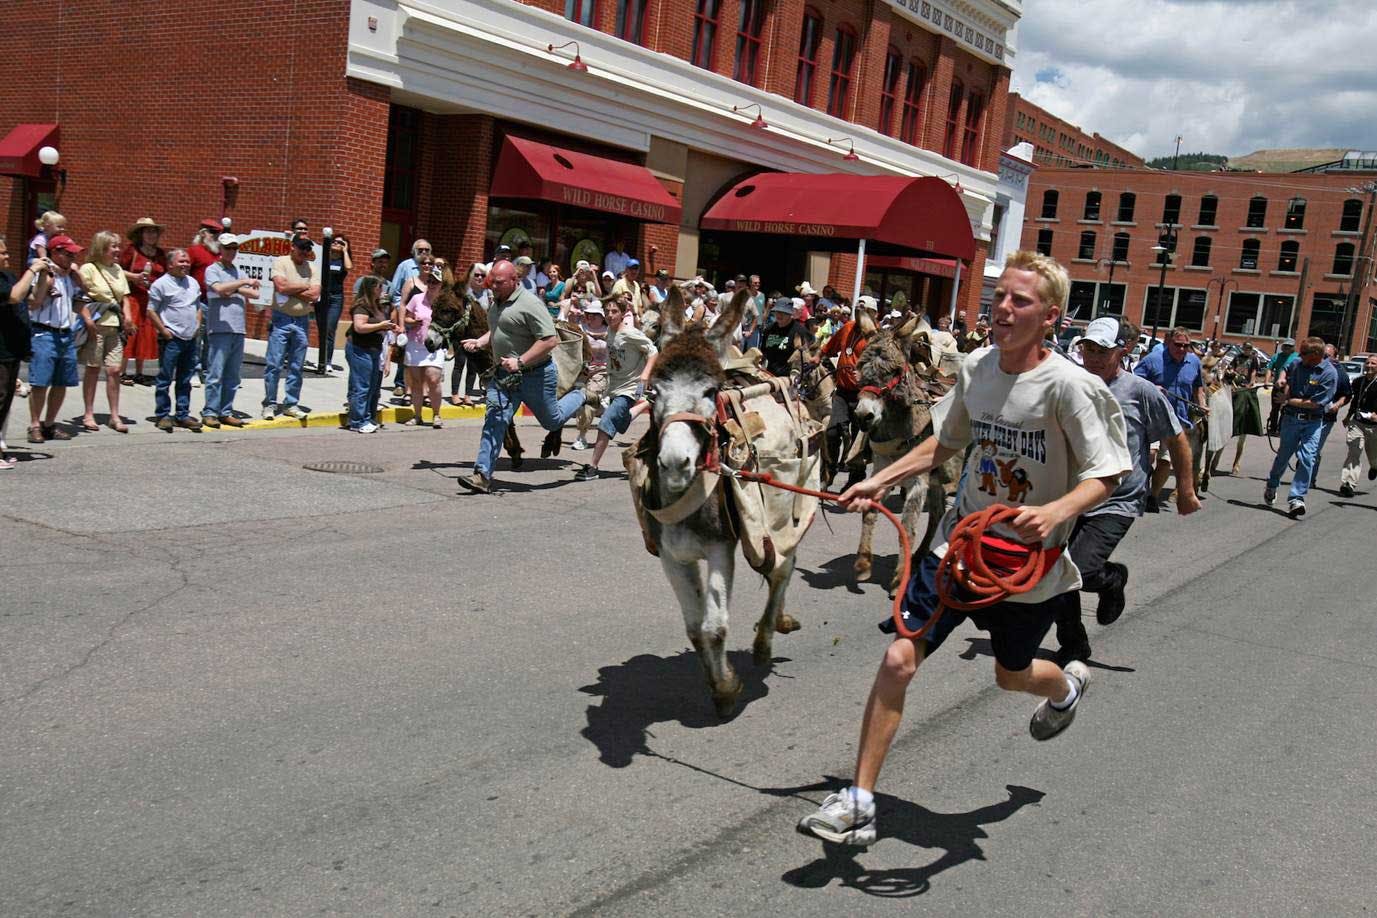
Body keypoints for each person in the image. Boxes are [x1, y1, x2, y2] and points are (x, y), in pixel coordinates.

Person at [797, 250, 1131, 847]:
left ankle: (1067, 687)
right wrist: (880, 479)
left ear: (1050, 316)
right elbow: (944, 445)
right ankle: (859, 800)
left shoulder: (1070, 387)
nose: (1003, 307)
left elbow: (1108, 475)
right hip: (959, 546)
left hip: (1027, 568)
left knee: (1012, 676)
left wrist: (1055, 511)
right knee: (900, 659)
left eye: (1020, 300)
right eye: (1000, 295)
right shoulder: (977, 368)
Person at [1054, 318, 1199, 665]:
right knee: (1055, 573)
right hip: (1074, 496)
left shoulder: (1140, 391)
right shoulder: (1071, 386)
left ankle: (1111, 579)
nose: (1095, 357)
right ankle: (1074, 644)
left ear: (1122, 350)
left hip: (1118, 498)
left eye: (1103, 350)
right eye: (1089, 349)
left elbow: (1177, 439)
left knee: (1080, 571)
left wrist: (1185, 489)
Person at [457, 260, 587, 493]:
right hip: (504, 377)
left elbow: (549, 340)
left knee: (553, 420)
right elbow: (500, 329)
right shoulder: (497, 302)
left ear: (514, 281)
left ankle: (580, 395)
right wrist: (480, 342)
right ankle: (482, 475)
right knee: (494, 421)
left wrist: (520, 361)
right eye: (491, 282)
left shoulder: (530, 304)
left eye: (498, 283)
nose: (492, 286)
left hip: (535, 375)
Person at [573, 296, 655, 481]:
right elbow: (610, 340)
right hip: (615, 386)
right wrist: (592, 336)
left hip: (633, 387)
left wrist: (645, 375)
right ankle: (646, 404)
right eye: (607, 311)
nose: (610, 315)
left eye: (614, 311)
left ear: (623, 313)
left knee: (606, 422)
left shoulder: (631, 333)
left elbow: (653, 351)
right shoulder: (610, 331)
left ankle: (593, 467)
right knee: (621, 419)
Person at [18, 234, 86, 443]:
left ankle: (49, 424)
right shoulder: (44, 274)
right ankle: (35, 425)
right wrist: (46, 281)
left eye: (74, 254)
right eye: (68, 254)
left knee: (61, 382)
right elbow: (34, 304)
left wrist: (77, 276)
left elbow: (85, 294)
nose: (72, 258)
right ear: (55, 253)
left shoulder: (69, 276)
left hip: (66, 334)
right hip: (44, 332)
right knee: (40, 383)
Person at [1264, 337, 1337, 519]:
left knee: (1307, 458)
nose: (1299, 355)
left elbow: (1315, 403)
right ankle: (1272, 485)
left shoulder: (1329, 373)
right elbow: (1286, 369)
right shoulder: (1298, 362)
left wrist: (1287, 400)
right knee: (1283, 455)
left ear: (1316, 355)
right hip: (1291, 420)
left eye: (1304, 353)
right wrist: (1281, 379)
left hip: (1313, 421)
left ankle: (1297, 499)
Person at [1133, 326, 1205, 510]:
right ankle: (1138, 489)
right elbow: (1133, 383)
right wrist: (1151, 387)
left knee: (1165, 462)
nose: (1181, 349)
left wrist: (1201, 404)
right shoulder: (1152, 360)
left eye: (1186, 346)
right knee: (1149, 455)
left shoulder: (1194, 362)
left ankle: (1152, 496)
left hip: (1176, 420)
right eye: (1178, 344)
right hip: (1150, 418)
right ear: (1168, 343)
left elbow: (1198, 387)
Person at [813, 295, 875, 486]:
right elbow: (830, 346)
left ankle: (854, 480)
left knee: (858, 442)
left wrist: (865, 376)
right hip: (842, 391)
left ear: (873, 314)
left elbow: (881, 367)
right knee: (831, 432)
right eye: (858, 309)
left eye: (864, 311)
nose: (859, 313)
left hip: (863, 395)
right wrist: (818, 355)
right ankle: (830, 472)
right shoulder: (847, 327)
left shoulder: (876, 337)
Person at [76, 231, 133, 432]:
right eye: (113, 246)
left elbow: (124, 297)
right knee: (92, 369)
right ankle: (89, 413)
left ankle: (114, 416)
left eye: (118, 245)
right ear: (101, 248)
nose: (117, 250)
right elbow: (81, 297)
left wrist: (128, 316)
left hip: (114, 326)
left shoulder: (117, 269)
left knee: (114, 370)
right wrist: (88, 321)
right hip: (96, 325)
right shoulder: (89, 269)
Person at [201, 234, 259, 428]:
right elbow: (219, 289)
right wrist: (241, 285)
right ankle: (210, 411)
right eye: (227, 248)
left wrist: (234, 288)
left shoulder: (237, 271)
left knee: (233, 375)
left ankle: (225, 411)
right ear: (220, 249)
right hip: (219, 328)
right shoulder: (213, 269)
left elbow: (255, 292)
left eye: (234, 248)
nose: (231, 252)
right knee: (215, 372)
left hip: (238, 329)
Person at [262, 234, 320, 419]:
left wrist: (293, 288)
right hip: (281, 320)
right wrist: (304, 286)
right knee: (274, 364)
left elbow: (314, 295)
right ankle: (270, 403)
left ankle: (291, 403)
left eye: (307, 249)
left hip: (302, 321)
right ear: (292, 247)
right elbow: (280, 287)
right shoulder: (281, 262)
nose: (304, 252)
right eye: (301, 247)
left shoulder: (313, 268)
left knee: (297, 365)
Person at [147, 249, 204, 431]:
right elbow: (151, 310)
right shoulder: (160, 284)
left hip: (190, 339)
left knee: (185, 379)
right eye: (181, 261)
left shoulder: (193, 283)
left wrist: (197, 325)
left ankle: (182, 414)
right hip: (171, 339)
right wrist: (163, 330)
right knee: (164, 378)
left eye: (187, 261)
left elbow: (197, 306)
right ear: (170, 264)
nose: (185, 264)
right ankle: (163, 415)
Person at [119, 217, 167, 386]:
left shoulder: (160, 254)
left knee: (145, 334)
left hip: (152, 298)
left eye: (153, 231)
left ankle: (139, 372)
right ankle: (122, 371)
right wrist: (135, 277)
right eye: (147, 231)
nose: (151, 235)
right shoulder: (131, 251)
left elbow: (165, 274)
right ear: (141, 234)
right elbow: (117, 270)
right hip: (133, 297)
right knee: (130, 332)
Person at [345, 276, 397, 433]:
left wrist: (389, 327)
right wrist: (380, 325)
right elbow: (359, 327)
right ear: (370, 288)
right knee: (362, 386)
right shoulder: (362, 306)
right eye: (379, 287)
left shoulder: (377, 306)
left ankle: (367, 418)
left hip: (374, 349)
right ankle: (356, 421)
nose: (382, 290)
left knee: (373, 386)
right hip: (360, 349)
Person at [401, 261, 447, 428]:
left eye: (436, 282)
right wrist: (413, 321)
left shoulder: (444, 302)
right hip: (415, 344)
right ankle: (417, 415)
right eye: (430, 281)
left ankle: (436, 415)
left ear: (441, 284)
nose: (432, 284)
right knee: (416, 381)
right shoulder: (417, 298)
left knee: (433, 378)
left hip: (435, 346)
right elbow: (406, 317)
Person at [0, 235, 32, 467]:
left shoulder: (8, 277)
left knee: (5, 401)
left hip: (12, 349)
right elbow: (14, 296)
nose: (7, 255)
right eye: (2, 253)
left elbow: (33, 299)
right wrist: (32, 270)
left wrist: (41, 279)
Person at [1310, 343, 1352, 484]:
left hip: (1326, 418)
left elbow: (1347, 395)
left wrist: (1337, 405)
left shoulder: (1341, 374)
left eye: (1327, 355)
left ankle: (1309, 478)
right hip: (1309, 413)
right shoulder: (1314, 368)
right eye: (1322, 355)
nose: (1323, 358)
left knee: (1314, 448)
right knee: (1304, 447)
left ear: (1335, 357)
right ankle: (1306, 466)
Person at [451, 263, 491, 405]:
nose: (479, 278)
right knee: (459, 364)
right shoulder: (463, 292)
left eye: (482, 275)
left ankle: (467, 395)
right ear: (470, 275)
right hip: (462, 334)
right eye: (477, 275)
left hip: (478, 335)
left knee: (473, 367)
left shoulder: (488, 294)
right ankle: (455, 394)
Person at [1224, 339, 1264, 476]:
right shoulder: (1237, 358)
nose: (1247, 350)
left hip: (1245, 388)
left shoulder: (1254, 359)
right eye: (1246, 348)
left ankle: (1237, 462)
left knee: (1247, 409)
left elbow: (1253, 373)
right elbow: (1231, 370)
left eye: (1249, 348)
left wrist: (1251, 383)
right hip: (1235, 386)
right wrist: (1232, 383)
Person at [1340, 354, 1377, 497]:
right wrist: (1348, 416)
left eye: (1373, 363)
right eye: (1368, 363)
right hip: (1358, 422)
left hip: (1374, 426)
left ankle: (1374, 467)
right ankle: (1348, 484)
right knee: (1354, 451)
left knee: (1373, 455)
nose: (1369, 366)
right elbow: (1355, 401)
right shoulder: (1358, 382)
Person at [314, 234, 351, 375]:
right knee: (321, 329)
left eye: (341, 243)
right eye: (334, 241)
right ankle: (321, 358)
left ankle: (327, 361)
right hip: (322, 296)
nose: (337, 244)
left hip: (336, 297)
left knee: (330, 328)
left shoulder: (343, 260)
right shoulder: (324, 258)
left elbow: (349, 267)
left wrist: (345, 250)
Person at [761, 297, 808, 377]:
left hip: (788, 377)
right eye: (777, 312)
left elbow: (806, 354)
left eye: (784, 312)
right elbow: (763, 351)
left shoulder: (799, 331)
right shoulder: (769, 329)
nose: (779, 315)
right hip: (769, 375)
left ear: (790, 314)